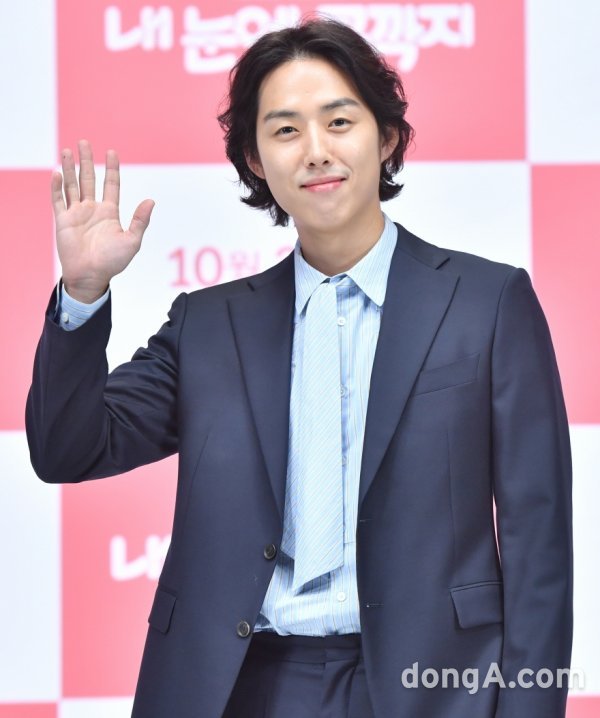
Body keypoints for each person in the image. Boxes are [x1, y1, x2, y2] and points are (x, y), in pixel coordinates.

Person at [26, 18, 573, 718]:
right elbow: (67, 449)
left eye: (339, 122)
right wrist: (82, 295)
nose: (316, 151)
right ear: (255, 160)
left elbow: (538, 544)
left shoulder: (487, 304)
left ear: (388, 137)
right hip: (238, 688)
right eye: (285, 131)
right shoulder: (208, 325)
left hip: (432, 688)